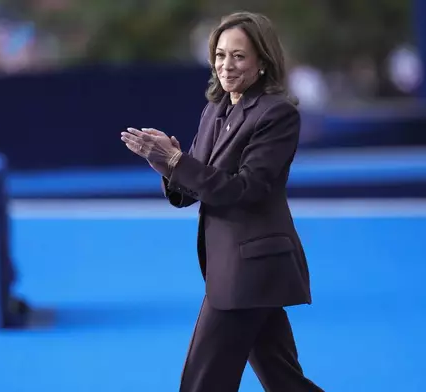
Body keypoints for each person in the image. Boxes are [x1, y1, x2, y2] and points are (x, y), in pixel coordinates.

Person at [121, 12, 323, 392]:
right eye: (220, 55)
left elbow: (245, 189)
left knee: (202, 383)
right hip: (235, 266)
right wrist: (165, 166)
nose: (226, 66)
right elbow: (194, 187)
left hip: (250, 269)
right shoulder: (215, 109)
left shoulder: (277, 114)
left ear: (263, 62)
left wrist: (179, 163)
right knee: (284, 381)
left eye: (239, 56)